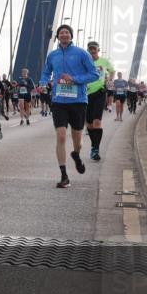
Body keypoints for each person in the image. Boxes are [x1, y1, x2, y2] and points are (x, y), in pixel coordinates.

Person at [39, 24, 98, 188]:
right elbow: (46, 73)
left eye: (67, 33)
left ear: (71, 36)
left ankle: (77, 155)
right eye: (61, 33)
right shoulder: (52, 55)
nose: (64, 35)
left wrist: (75, 79)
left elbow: (94, 74)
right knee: (61, 136)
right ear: (58, 36)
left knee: (77, 140)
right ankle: (64, 175)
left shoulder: (82, 53)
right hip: (58, 101)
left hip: (78, 101)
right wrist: (43, 83)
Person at [85, 41, 114, 161]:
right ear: (88, 50)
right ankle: (94, 146)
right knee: (89, 124)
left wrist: (109, 80)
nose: (92, 51)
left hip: (100, 93)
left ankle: (95, 149)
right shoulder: (84, 61)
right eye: (90, 49)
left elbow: (112, 71)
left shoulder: (104, 61)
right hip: (86, 94)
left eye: (94, 49)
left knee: (97, 122)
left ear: (98, 50)